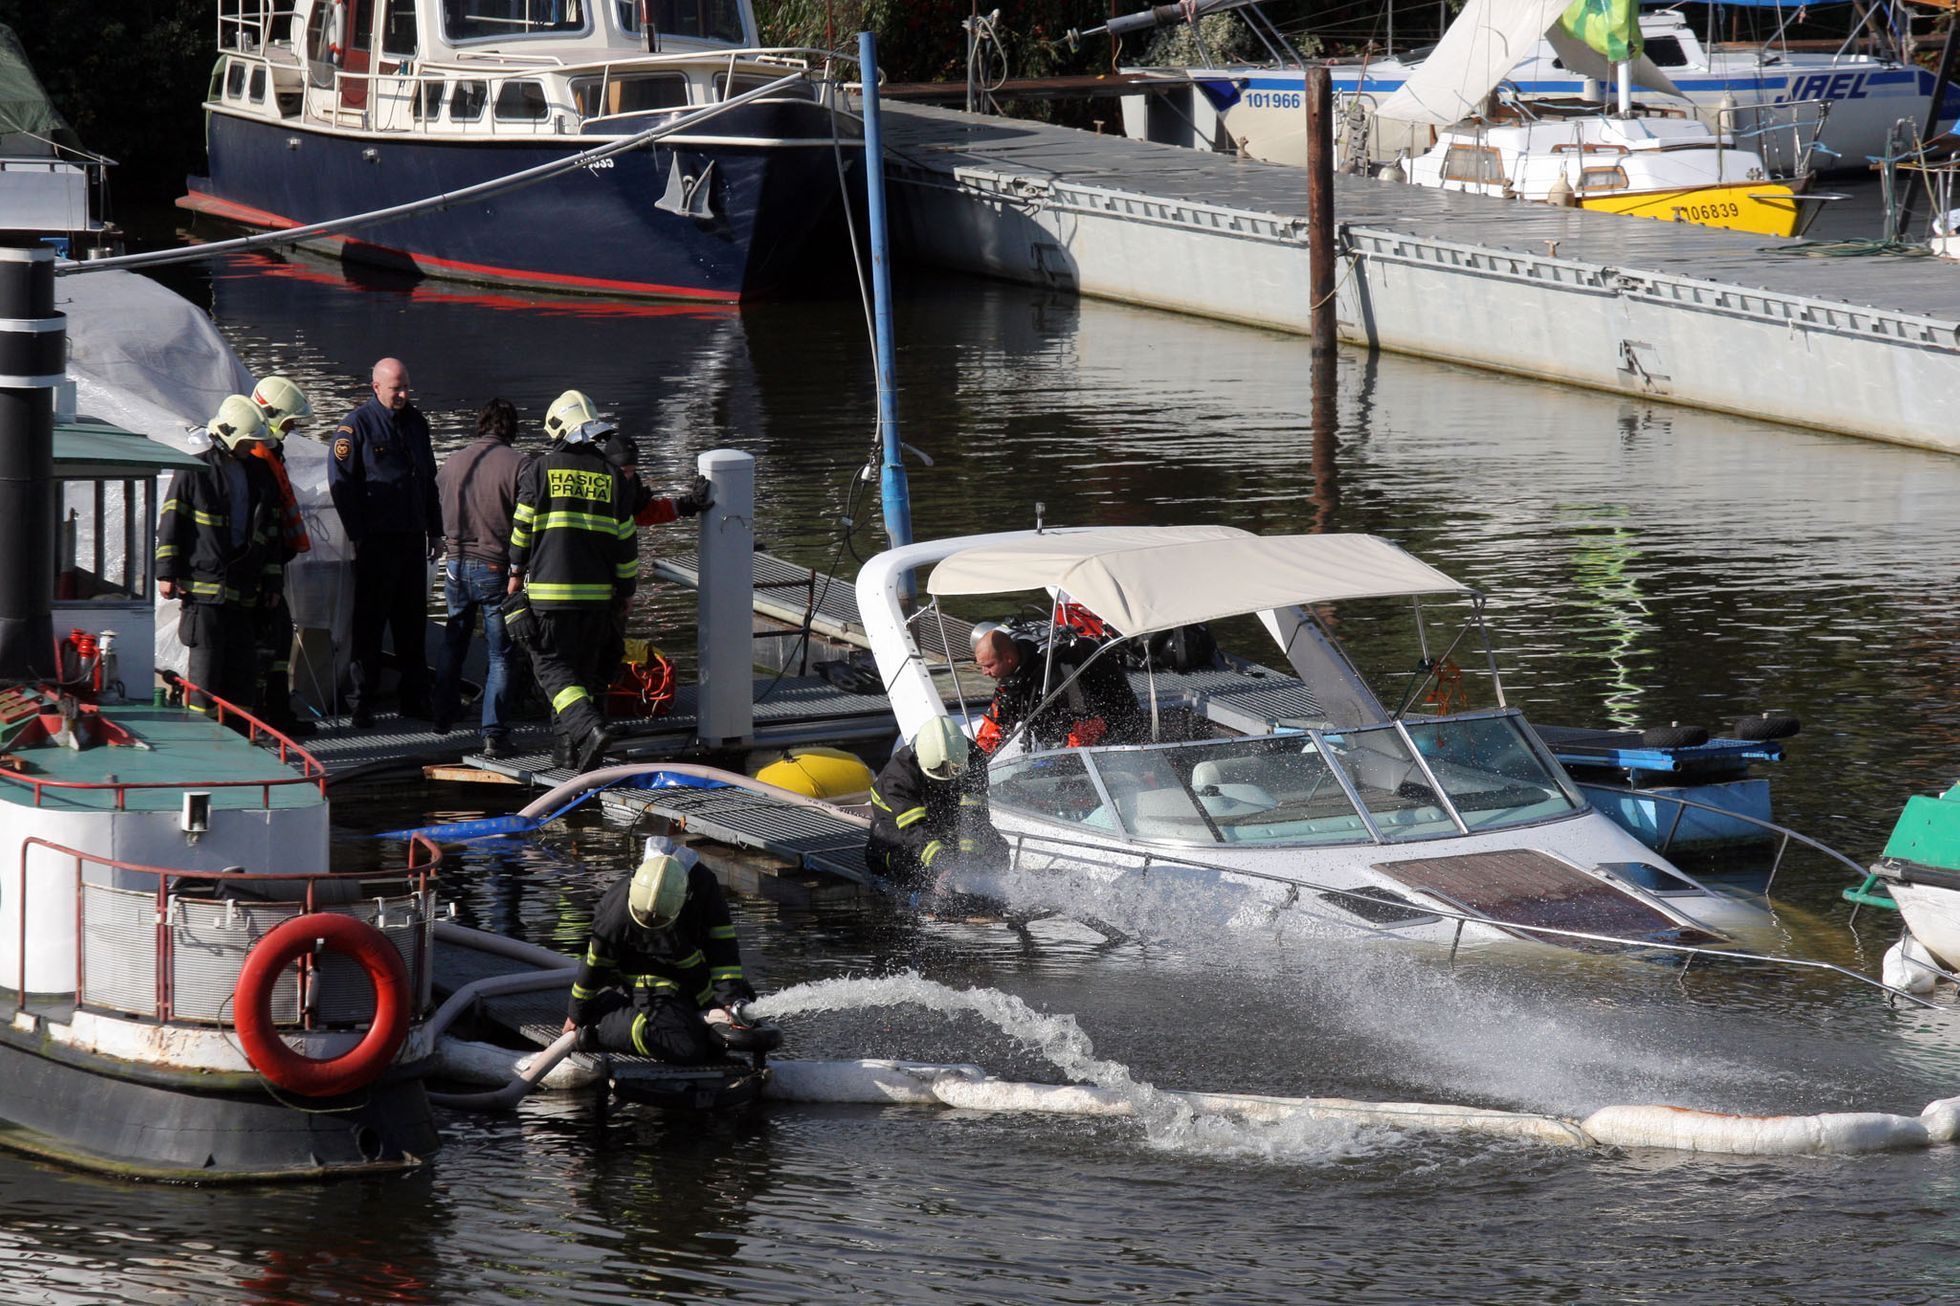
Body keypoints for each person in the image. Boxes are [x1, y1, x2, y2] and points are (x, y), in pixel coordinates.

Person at [507, 389, 637, 772]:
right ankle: (567, 755)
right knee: (581, 674)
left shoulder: (541, 468)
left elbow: (521, 529)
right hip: (598, 598)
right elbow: (627, 543)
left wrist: (515, 573)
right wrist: (626, 591)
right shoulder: (613, 475)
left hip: (550, 594)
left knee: (551, 669)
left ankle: (589, 729)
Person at [562, 837, 768, 1065]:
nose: (651, 922)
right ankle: (603, 1024)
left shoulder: (703, 886)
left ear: (684, 897)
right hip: (653, 981)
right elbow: (594, 966)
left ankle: (698, 1024)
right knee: (685, 1047)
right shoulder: (615, 913)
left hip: (695, 978)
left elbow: (723, 950)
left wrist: (729, 1000)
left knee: (742, 1002)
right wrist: (577, 1014)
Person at [156, 396, 294, 720]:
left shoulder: (260, 475)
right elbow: (171, 523)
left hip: (245, 592)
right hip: (205, 593)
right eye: (247, 442)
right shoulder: (195, 471)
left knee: (243, 672)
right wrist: (166, 573)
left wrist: (273, 582)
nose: (251, 448)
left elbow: (270, 536)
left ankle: (239, 740)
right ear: (231, 436)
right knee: (205, 672)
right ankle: (200, 739)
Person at [328, 357, 441, 729]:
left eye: (407, 386)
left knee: (412, 623)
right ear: (376, 387)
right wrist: (358, 534)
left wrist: (435, 531)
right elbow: (342, 485)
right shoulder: (356, 426)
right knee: (370, 625)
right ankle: (361, 703)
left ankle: (415, 699)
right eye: (397, 388)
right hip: (376, 541)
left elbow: (427, 481)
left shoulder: (417, 423)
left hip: (411, 538)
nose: (404, 394)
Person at [433, 398, 527, 756]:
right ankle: (493, 735)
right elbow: (527, 518)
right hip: (494, 567)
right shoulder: (520, 465)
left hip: (455, 565)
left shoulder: (453, 463)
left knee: (453, 639)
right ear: (511, 428)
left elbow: (436, 504)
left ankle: (442, 716)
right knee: (501, 654)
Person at [246, 375, 314, 734]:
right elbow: (264, 526)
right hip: (260, 573)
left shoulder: (266, 456)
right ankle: (264, 720)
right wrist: (268, 577)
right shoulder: (257, 462)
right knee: (264, 650)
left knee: (275, 645)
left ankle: (276, 715)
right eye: (288, 423)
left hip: (271, 568)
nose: (290, 431)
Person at [866, 716, 1008, 885]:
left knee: (998, 850)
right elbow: (913, 831)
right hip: (898, 819)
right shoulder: (899, 775)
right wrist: (944, 864)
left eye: (954, 770)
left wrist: (969, 860)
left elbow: (974, 814)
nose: (946, 779)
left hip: (943, 809)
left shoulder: (973, 757)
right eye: (938, 772)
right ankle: (882, 850)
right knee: (911, 867)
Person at [973, 627, 1144, 755]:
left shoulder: (1055, 674)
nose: (984, 673)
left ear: (1008, 658)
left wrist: (1063, 764)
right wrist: (974, 763)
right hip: (1063, 748)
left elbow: (1087, 726)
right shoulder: (1012, 684)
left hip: (1109, 746)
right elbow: (992, 729)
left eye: (988, 666)